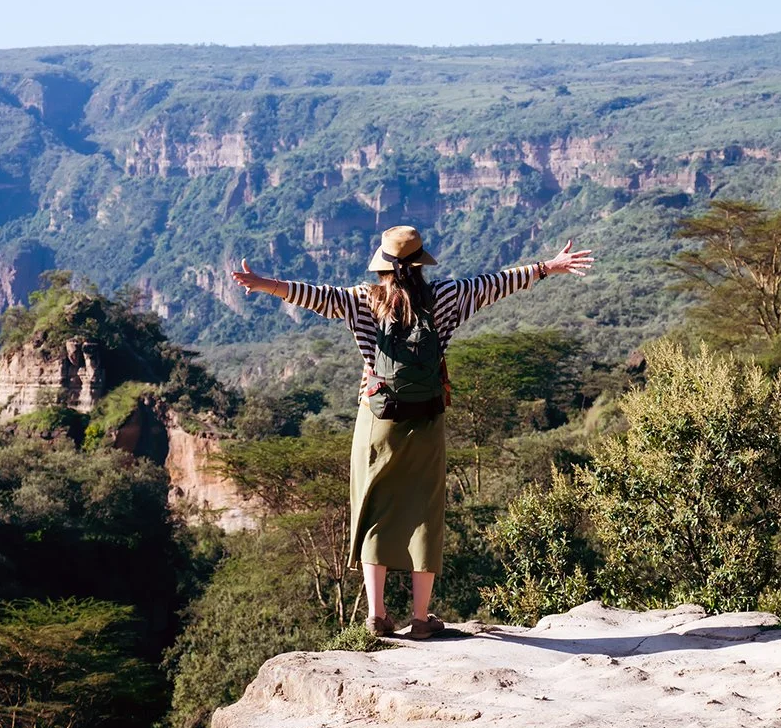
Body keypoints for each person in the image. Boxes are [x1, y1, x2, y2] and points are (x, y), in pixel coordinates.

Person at [231, 225, 594, 638]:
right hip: (426, 418)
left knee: (373, 507)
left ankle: (376, 614)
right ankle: (421, 619)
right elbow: (499, 283)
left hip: (377, 418)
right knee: (425, 509)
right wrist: (549, 266)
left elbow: (317, 295)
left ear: (382, 265)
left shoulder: (363, 300)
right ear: (421, 262)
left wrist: (263, 284)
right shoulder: (447, 296)